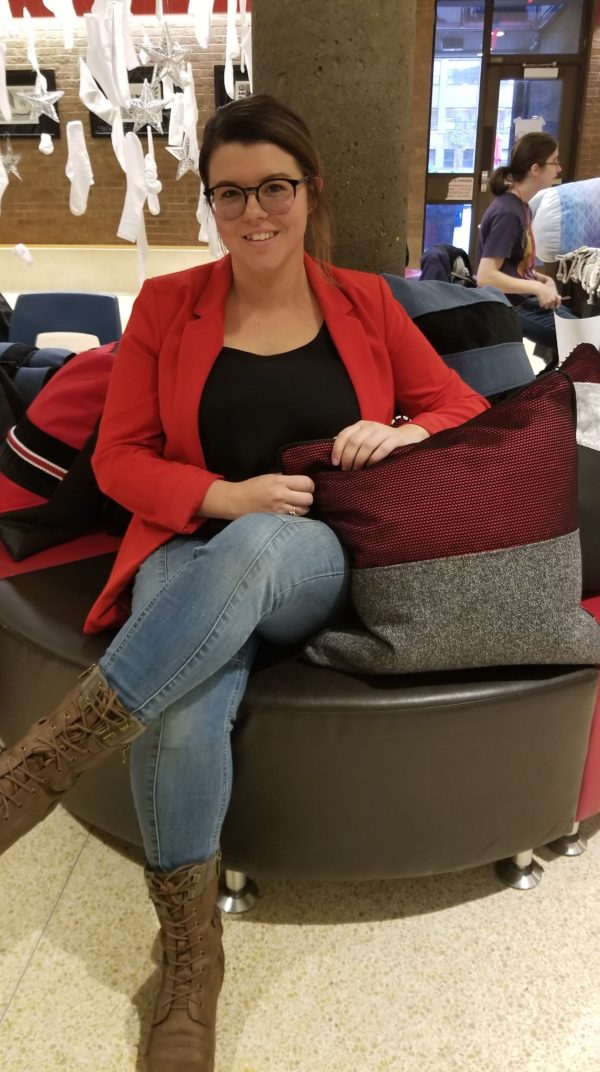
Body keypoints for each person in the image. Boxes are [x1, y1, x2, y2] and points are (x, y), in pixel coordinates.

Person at [0, 95, 489, 1072]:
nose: (253, 212)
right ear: (212, 203)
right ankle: (191, 965)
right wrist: (223, 494)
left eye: (274, 188)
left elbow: (464, 407)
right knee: (184, 711)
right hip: (186, 545)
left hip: (312, 554)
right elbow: (120, 460)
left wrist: (402, 431)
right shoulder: (167, 308)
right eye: (231, 193)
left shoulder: (366, 303)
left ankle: (43, 763)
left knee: (265, 543)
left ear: (310, 193)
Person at [476, 131, 578, 364]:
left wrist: (545, 281)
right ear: (535, 169)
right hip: (510, 306)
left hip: (522, 301)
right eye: (555, 161)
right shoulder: (507, 212)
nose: (559, 169)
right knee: (587, 341)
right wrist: (537, 288)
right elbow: (485, 277)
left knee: (582, 329)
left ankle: (553, 379)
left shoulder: (522, 207)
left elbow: (514, 266)